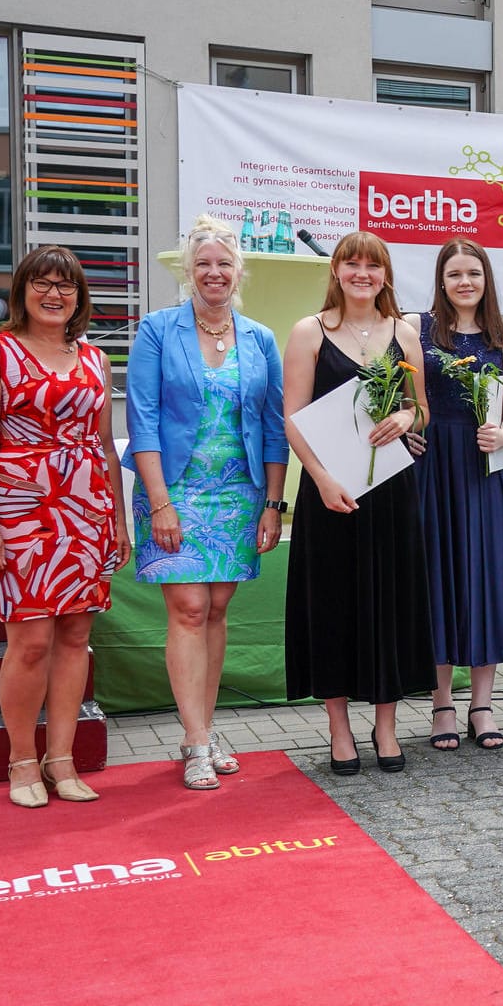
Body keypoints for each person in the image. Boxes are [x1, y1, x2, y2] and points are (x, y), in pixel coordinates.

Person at [0, 246, 130, 807]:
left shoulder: (95, 359)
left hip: (86, 511)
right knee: (30, 640)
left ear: (80, 298)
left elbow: (105, 446)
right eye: (43, 284)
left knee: (77, 636)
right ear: (22, 292)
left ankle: (62, 758)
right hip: (21, 511)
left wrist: (118, 521)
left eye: (67, 286)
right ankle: (21, 760)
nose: (54, 295)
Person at [125, 215, 288, 790]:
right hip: (174, 492)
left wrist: (274, 502)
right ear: (188, 273)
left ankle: (205, 726)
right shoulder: (157, 330)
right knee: (188, 609)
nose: (213, 273)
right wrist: (161, 503)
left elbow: (273, 428)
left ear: (238, 272)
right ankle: (195, 742)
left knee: (217, 610)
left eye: (223, 264)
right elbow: (141, 418)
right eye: (203, 265)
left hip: (238, 495)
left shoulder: (260, 338)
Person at [282, 231, 435, 775]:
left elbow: (422, 411)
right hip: (331, 492)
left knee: (389, 604)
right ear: (338, 271)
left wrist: (407, 418)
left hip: (393, 491)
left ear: (386, 274)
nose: (362, 274)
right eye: (352, 264)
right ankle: (339, 728)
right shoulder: (310, 332)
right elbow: (292, 417)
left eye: (373, 265)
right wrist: (320, 479)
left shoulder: (406, 333)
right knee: (334, 605)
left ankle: (386, 726)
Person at [405, 238, 503, 752]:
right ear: (441, 280)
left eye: (475, 274)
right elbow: (406, 400)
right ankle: (442, 703)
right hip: (434, 468)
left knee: (484, 578)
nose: (465, 282)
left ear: (487, 281)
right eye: (456, 274)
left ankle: (482, 706)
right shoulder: (416, 331)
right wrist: (407, 426)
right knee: (439, 577)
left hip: (489, 469)